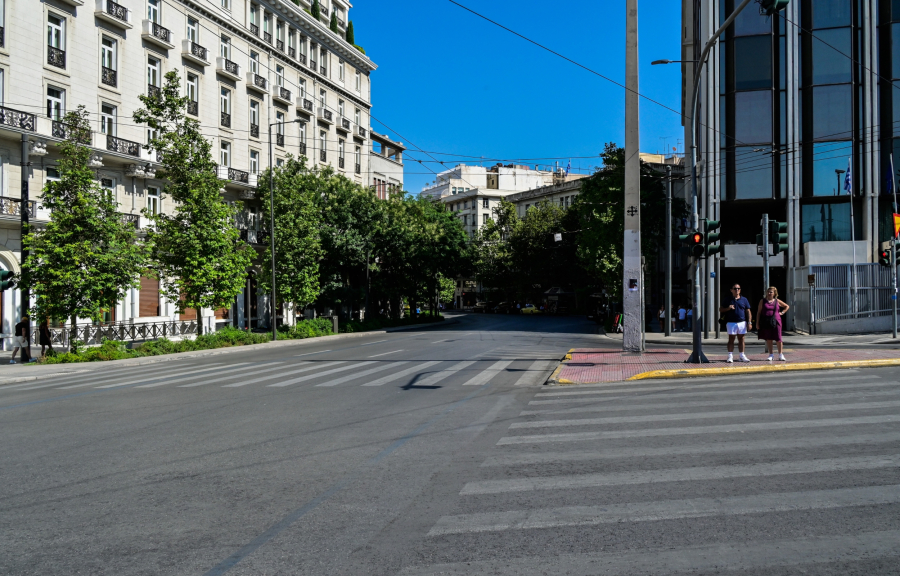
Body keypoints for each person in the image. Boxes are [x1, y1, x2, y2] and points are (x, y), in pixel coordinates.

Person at [719, 284, 753, 363]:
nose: (737, 290)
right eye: (735, 288)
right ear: (731, 290)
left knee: (741, 339)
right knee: (731, 339)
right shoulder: (727, 299)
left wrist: (749, 322)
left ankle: (742, 355)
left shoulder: (744, 299)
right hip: (731, 322)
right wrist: (728, 308)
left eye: (738, 288)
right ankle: (730, 356)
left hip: (742, 322)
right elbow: (720, 309)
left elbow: (748, 311)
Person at [757, 286, 790, 361]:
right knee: (769, 338)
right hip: (766, 321)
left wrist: (782, 312)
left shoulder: (777, 301)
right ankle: (771, 354)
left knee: (778, 338)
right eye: (768, 292)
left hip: (776, 321)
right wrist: (757, 323)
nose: (769, 293)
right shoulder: (762, 301)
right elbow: (759, 312)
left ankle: (780, 354)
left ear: (774, 293)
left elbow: (787, 306)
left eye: (771, 292)